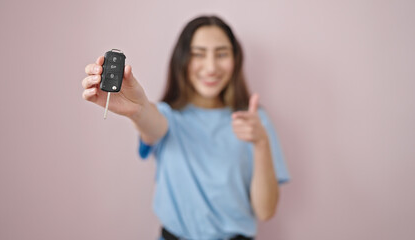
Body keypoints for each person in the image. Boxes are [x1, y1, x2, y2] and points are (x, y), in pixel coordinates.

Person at [82, 15, 290, 240]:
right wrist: (138, 109)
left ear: (236, 59)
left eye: (221, 54)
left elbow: (266, 211)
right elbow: (152, 123)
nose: (211, 67)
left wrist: (261, 143)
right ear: (182, 60)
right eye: (198, 54)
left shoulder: (256, 122)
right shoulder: (169, 117)